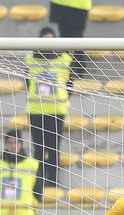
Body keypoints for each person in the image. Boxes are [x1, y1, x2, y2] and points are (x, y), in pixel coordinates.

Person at [26, 26, 72, 192]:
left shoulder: (65, 59)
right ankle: (38, 183)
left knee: (53, 148)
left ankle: (52, 183)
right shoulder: (31, 59)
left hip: (56, 110)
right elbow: (27, 82)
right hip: (36, 110)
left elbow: (70, 82)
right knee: (39, 149)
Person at [48, 0, 90, 79]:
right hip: (63, 4)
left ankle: (78, 70)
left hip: (76, 5)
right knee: (65, 37)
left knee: (76, 38)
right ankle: (69, 71)